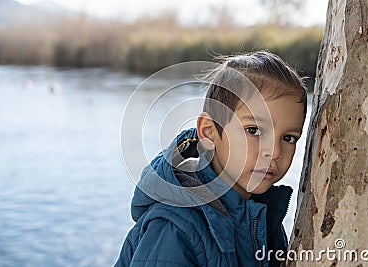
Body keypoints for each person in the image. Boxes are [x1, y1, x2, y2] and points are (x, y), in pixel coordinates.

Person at [115, 50, 307, 267]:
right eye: (253, 130)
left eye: (289, 137)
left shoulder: (261, 215)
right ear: (208, 133)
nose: (274, 152)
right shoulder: (175, 227)